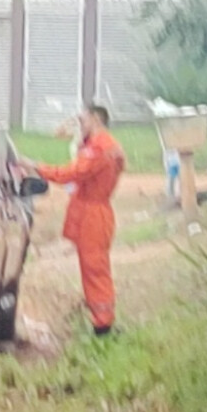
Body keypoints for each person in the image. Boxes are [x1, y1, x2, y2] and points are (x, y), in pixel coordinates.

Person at [41, 102, 127, 336]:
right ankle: (102, 320)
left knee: (95, 268)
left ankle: (103, 324)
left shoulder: (99, 147)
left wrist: (38, 169)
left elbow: (73, 173)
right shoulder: (107, 145)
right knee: (94, 267)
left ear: (96, 120)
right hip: (96, 210)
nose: (80, 124)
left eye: (83, 120)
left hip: (93, 214)